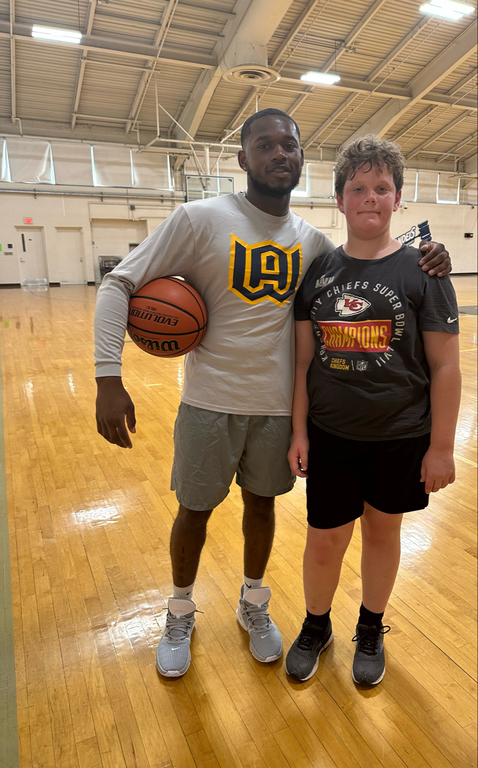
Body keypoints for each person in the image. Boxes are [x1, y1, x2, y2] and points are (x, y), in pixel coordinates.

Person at [94, 109, 451, 679]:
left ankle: (254, 603)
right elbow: (119, 283)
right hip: (210, 401)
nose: (279, 153)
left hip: (278, 410)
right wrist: (107, 377)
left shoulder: (313, 245)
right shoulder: (199, 217)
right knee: (194, 511)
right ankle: (179, 611)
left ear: (302, 158)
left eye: (289, 145)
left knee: (262, 508)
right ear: (243, 158)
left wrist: (433, 256)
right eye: (265, 145)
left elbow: (368, 263)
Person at [285, 135, 461, 686]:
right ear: (339, 200)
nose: (370, 197)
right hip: (331, 434)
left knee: (383, 534)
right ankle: (316, 625)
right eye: (358, 187)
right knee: (324, 540)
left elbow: (446, 367)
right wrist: (298, 432)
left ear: (398, 198)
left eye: (381, 188)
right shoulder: (317, 272)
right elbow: (302, 363)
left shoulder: (425, 272)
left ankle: (370, 626)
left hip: (401, 437)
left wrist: (441, 447)